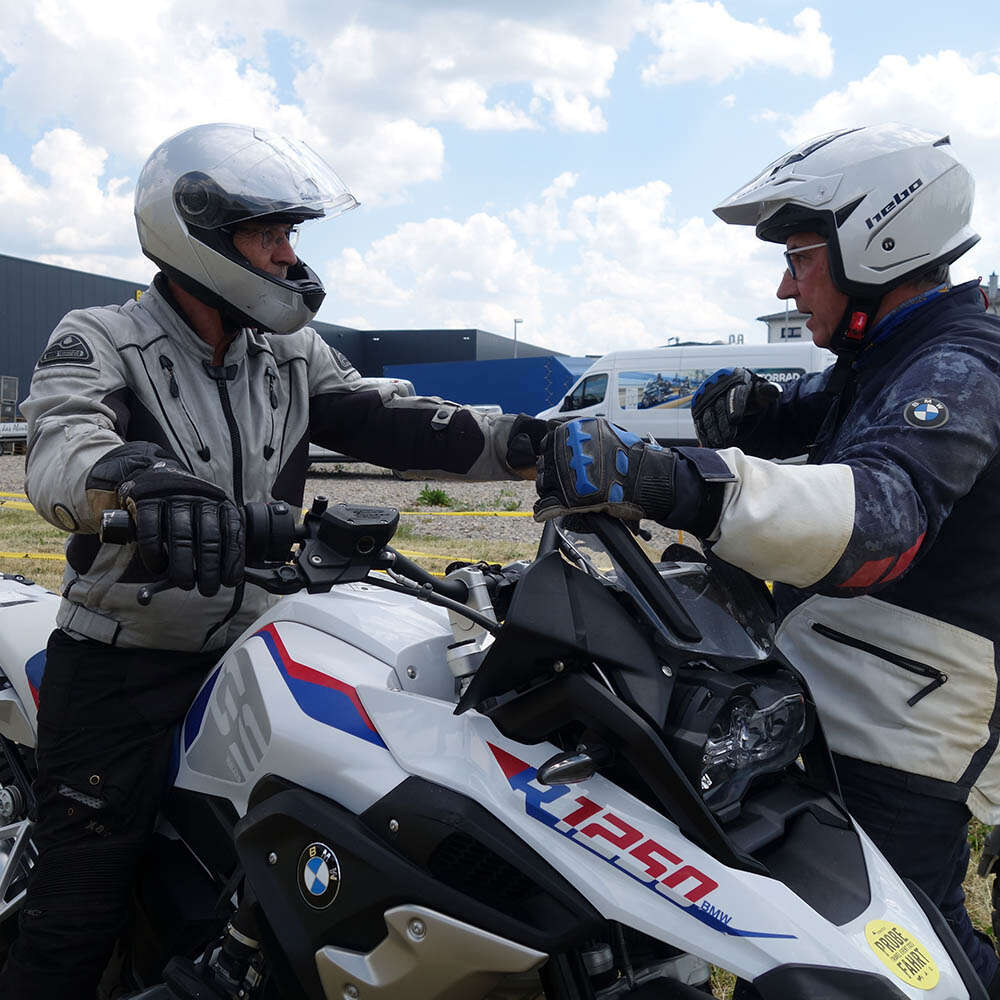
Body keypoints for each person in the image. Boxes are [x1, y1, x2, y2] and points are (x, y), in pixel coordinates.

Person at [0, 123, 548, 999]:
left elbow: (391, 418)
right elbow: (62, 446)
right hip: (122, 664)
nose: (290, 256)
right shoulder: (101, 336)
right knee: (77, 910)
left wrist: (531, 444)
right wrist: (139, 483)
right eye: (270, 235)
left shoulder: (289, 352)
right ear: (198, 237)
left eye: (290, 234)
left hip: (263, 651)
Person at [534, 123, 1000, 992]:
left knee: (894, 955)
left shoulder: (960, 368)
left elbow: (879, 521)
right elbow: (815, 411)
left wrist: (669, 481)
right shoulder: (886, 357)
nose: (785, 285)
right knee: (809, 932)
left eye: (800, 259)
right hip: (859, 689)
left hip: (908, 725)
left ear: (880, 242)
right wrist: (757, 407)